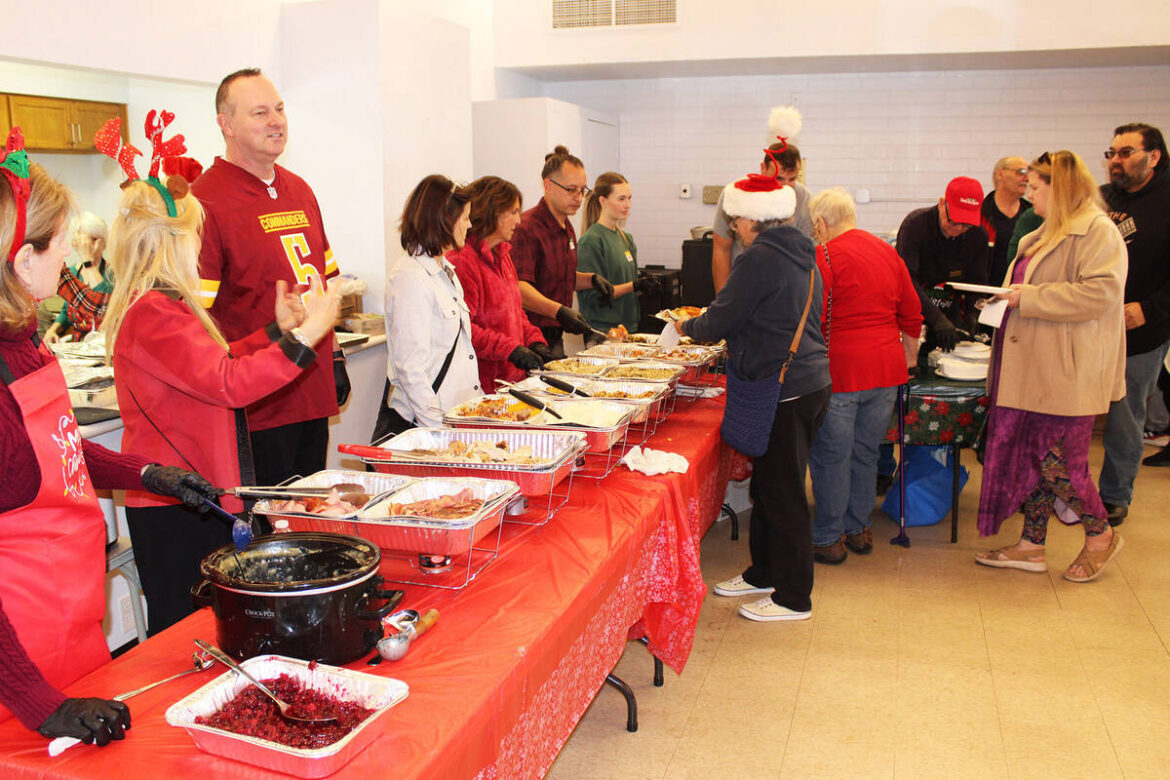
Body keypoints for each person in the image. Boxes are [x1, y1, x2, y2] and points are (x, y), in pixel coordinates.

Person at [0, 131, 218, 744]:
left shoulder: (26, 343)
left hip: (71, 626)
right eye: (60, 244)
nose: (71, 254)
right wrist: (39, 705)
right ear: (21, 262)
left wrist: (147, 475)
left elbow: (60, 450)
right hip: (15, 670)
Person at [103, 167, 340, 635]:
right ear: (175, 242)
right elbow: (229, 381)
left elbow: (218, 363)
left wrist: (277, 332)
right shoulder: (151, 311)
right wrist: (309, 334)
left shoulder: (164, 306)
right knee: (186, 636)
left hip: (196, 496)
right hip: (175, 507)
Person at [677, 173, 830, 622]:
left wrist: (685, 327)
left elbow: (722, 318)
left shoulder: (759, 258)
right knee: (768, 486)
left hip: (785, 387)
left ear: (751, 217)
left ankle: (793, 597)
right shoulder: (801, 252)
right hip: (807, 381)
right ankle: (763, 570)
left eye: (736, 218)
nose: (733, 227)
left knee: (782, 493)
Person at [191, 68, 349, 486]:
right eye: (260, 113)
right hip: (258, 404)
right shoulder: (204, 200)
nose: (276, 121)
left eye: (278, 109)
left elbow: (325, 284)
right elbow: (194, 320)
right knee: (272, 527)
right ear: (225, 124)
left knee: (315, 518)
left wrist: (334, 356)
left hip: (310, 389)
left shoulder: (299, 189)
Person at [974, 150, 1126, 582]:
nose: (1029, 194)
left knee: (1056, 461)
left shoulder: (1098, 232)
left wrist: (1028, 299)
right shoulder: (1040, 235)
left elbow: (1099, 294)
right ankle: (1032, 545)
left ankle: (1100, 534)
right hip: (1029, 365)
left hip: (1067, 370)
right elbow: (1020, 287)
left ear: (1060, 190)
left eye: (1037, 188)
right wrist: (1000, 301)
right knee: (1031, 456)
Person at [807, 188, 922, 564]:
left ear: (822, 223)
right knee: (865, 453)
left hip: (841, 370)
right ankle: (858, 529)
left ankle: (827, 537)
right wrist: (908, 354)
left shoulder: (823, 254)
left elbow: (813, 317)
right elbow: (911, 311)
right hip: (886, 370)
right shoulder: (888, 252)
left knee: (831, 456)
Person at [1096, 123, 1170, 520]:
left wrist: (1149, 309)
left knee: (1124, 417)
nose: (1115, 162)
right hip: (1094, 325)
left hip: (1141, 333)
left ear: (1153, 157)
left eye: (1126, 153)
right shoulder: (1105, 200)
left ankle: (1114, 496)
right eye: (1112, 154)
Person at [377, 175, 480, 436]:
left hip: (455, 420)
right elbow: (411, 369)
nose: (469, 224)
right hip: (427, 428)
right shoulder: (411, 277)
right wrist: (441, 431)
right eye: (465, 217)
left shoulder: (444, 270)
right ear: (444, 219)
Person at [447, 176, 553, 391]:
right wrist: (510, 350)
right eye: (513, 212)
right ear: (492, 210)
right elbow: (463, 329)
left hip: (512, 381)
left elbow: (515, 312)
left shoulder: (503, 255)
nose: (519, 220)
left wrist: (534, 341)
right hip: (483, 384)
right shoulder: (462, 260)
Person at [511, 145, 613, 358]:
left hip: (556, 335)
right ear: (548, 185)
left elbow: (558, 277)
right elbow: (519, 288)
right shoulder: (527, 228)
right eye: (571, 189)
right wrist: (558, 311)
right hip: (530, 337)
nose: (578, 197)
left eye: (583, 190)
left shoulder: (566, 227)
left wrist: (591, 280)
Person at [712, 106, 813, 292]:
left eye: (793, 179)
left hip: (784, 289)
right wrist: (723, 298)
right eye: (780, 178)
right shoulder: (735, 195)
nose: (786, 186)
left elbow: (807, 251)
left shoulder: (803, 197)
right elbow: (721, 249)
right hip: (742, 285)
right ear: (763, 168)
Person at [895, 176, 990, 353]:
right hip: (913, 313)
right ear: (941, 204)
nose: (958, 229)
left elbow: (977, 283)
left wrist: (973, 314)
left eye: (966, 225)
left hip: (949, 311)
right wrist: (936, 319)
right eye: (953, 221)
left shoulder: (978, 236)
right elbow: (906, 280)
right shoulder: (916, 226)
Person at [577, 172, 655, 346]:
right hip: (603, 333)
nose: (627, 204)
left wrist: (643, 285)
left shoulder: (626, 239)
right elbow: (595, 295)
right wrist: (634, 285)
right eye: (621, 199)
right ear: (603, 201)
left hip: (629, 329)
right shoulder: (592, 241)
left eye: (629, 198)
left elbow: (629, 284)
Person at [44, 212, 114, 343]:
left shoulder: (113, 273)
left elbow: (102, 306)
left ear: (102, 243)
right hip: (78, 346)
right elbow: (66, 312)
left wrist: (88, 260)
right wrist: (53, 329)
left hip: (104, 344)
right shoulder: (70, 273)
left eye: (96, 240)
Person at [981, 156, 1031, 286]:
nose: (1027, 179)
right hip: (986, 294)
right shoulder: (980, 214)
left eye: (1028, 173)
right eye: (1021, 172)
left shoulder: (1034, 215)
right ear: (1000, 174)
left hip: (1021, 295)